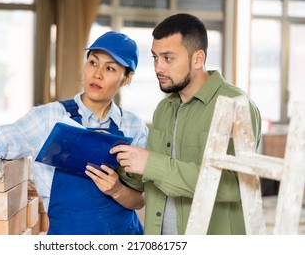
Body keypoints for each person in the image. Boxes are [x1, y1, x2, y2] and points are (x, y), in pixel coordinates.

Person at [0, 31, 148, 235]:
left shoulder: (133, 127)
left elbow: (138, 200)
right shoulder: (48, 118)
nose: (97, 74)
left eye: (110, 68)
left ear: (126, 79)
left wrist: (116, 190)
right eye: (93, 62)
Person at [110, 13, 261, 235]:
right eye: (155, 58)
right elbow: (152, 178)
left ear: (198, 59)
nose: (158, 68)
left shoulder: (236, 105)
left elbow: (234, 186)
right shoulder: (164, 109)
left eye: (168, 58)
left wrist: (151, 164)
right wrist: (119, 164)